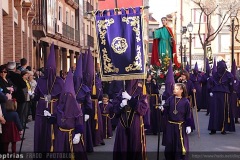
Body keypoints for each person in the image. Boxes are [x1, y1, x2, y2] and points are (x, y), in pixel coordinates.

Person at [44, 69, 88, 160]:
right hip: (61, 134)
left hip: (71, 134)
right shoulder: (60, 107)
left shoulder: (77, 111)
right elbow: (56, 119)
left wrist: (78, 134)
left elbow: (79, 124)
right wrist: (49, 116)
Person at [33, 43, 64, 153]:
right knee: (44, 127)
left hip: (47, 107)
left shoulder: (43, 80)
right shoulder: (58, 81)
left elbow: (36, 95)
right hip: (47, 107)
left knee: (49, 127)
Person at [113, 80, 148, 160]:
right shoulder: (121, 91)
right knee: (123, 144)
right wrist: (121, 105)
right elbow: (115, 109)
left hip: (135, 121)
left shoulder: (140, 91)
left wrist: (130, 99)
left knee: (135, 144)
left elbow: (143, 109)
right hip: (123, 121)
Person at [159, 83, 191, 160]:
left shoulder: (186, 101)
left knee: (179, 143)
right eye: (174, 88)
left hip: (180, 126)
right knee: (169, 142)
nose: (174, 90)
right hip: (170, 125)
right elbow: (166, 110)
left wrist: (188, 125)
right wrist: (162, 109)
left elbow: (188, 115)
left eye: (177, 89)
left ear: (182, 90)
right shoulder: (170, 99)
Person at [208, 60, 235, 135]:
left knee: (217, 111)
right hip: (223, 94)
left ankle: (216, 128)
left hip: (221, 95)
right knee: (220, 111)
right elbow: (231, 86)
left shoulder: (215, 75)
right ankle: (221, 128)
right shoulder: (228, 75)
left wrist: (211, 91)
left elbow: (210, 84)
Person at [73, 54, 93, 153]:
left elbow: (88, 102)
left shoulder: (85, 89)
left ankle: (84, 147)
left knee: (83, 128)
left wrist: (88, 113)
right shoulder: (70, 86)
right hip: (72, 111)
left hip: (82, 110)